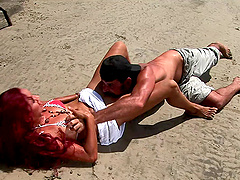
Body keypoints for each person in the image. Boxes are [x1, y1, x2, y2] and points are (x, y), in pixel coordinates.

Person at [85, 41, 239, 126]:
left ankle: (215, 48)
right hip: (180, 84)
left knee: (212, 56)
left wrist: (93, 118)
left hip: (184, 61)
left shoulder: (147, 74)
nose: (104, 88)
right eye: (104, 83)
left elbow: (138, 102)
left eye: (110, 85)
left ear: (127, 81)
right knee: (217, 102)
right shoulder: (123, 76)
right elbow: (120, 46)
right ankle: (237, 85)